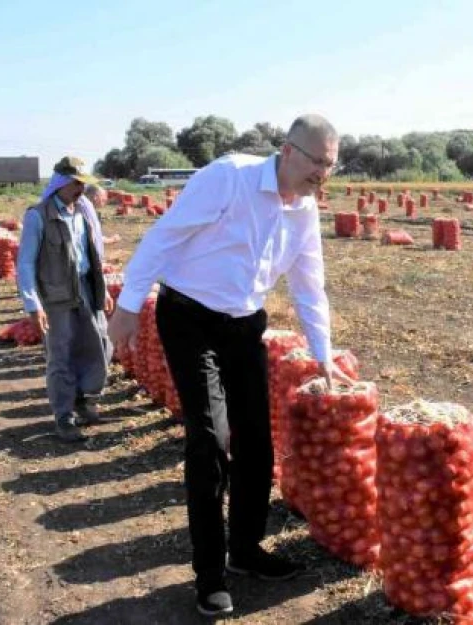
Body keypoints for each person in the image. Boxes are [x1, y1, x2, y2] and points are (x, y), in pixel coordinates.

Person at [107, 113, 352, 617]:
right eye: (316, 162)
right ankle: (209, 573)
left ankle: (245, 550)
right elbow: (164, 236)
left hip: (244, 323)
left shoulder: (304, 209)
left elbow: (309, 284)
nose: (322, 175)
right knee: (209, 441)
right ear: (287, 151)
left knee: (257, 444)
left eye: (330, 165)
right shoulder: (228, 177)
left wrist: (323, 354)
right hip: (189, 316)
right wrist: (129, 306)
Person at [16, 156, 114, 443]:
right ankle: (64, 416)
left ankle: (84, 398)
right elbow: (25, 263)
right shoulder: (38, 215)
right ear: (60, 182)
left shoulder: (84, 213)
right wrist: (33, 304)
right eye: (75, 183)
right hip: (56, 295)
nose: (80, 189)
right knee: (60, 356)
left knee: (101, 345)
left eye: (83, 183)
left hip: (86, 288)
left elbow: (93, 255)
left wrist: (104, 288)